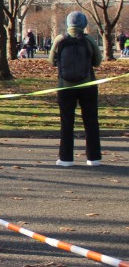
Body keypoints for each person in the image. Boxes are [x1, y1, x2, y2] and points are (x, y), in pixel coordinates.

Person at [50, 11, 103, 167]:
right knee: (91, 121)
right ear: (84, 24)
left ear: (68, 24)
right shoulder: (88, 40)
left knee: (67, 122)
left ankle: (66, 158)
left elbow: (51, 61)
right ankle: (93, 158)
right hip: (88, 85)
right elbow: (98, 61)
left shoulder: (60, 39)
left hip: (65, 86)